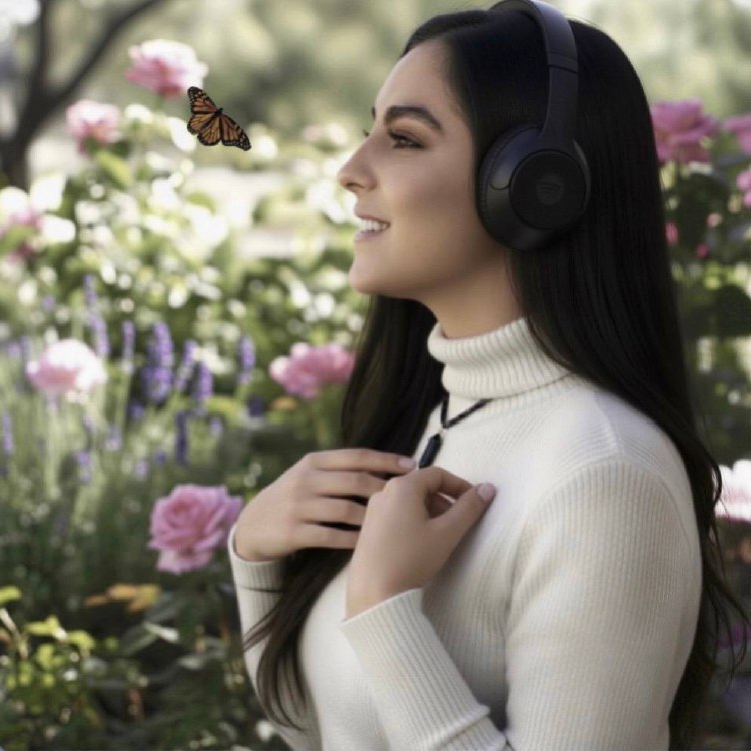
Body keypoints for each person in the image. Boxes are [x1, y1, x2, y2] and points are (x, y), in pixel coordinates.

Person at [228, 1, 748, 749]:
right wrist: (258, 557)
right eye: (369, 129)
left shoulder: (605, 474)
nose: (352, 170)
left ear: (534, 184)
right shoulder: (440, 415)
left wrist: (383, 608)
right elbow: (326, 732)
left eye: (402, 138)